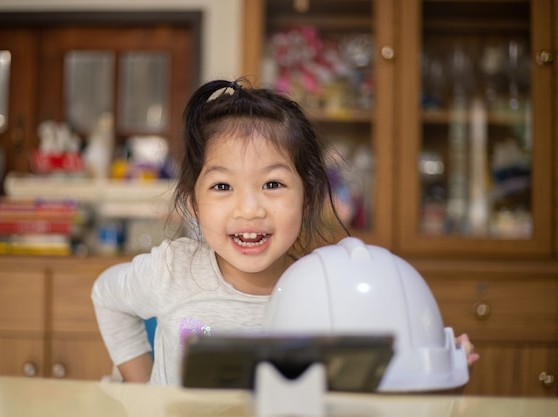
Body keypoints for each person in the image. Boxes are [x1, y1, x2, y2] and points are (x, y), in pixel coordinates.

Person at [92, 78, 478, 385]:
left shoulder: (326, 287)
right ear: (193, 203)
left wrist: (438, 368)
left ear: (308, 198)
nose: (249, 209)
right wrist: (142, 387)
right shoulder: (171, 270)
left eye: (273, 185)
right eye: (222, 186)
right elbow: (106, 295)